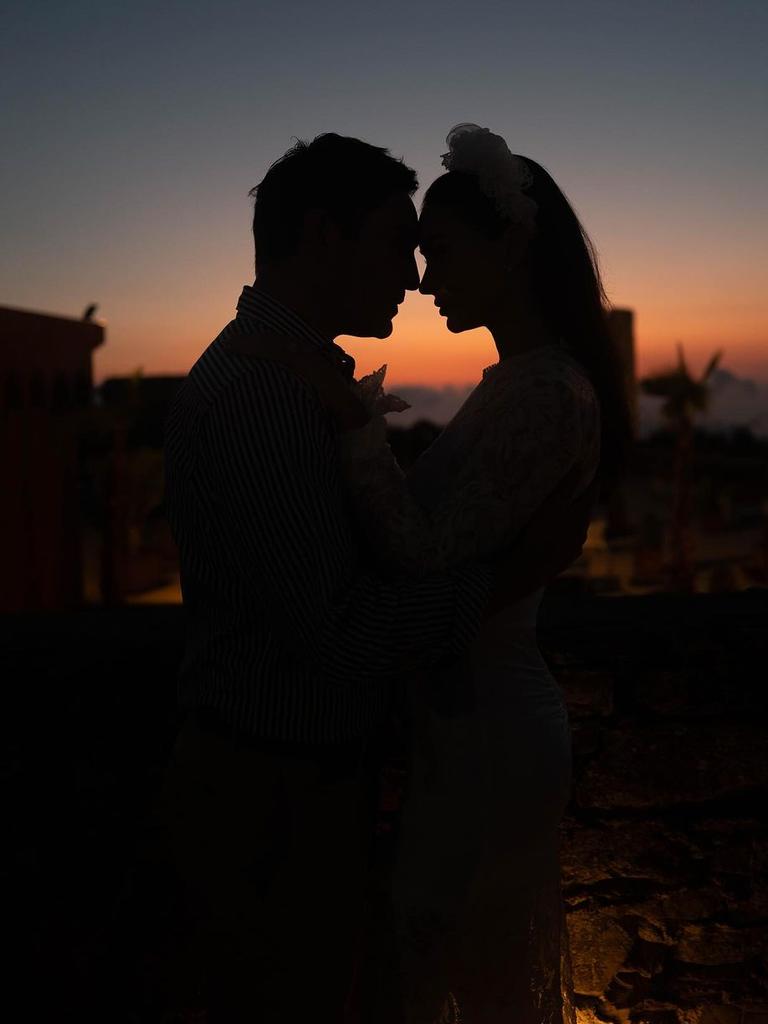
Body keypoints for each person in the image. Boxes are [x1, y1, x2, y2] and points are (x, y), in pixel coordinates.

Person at [154, 132, 593, 1024]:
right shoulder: (264, 395)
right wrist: (514, 573)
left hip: (307, 781)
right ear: (323, 235)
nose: (415, 275)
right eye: (400, 243)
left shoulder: (295, 380)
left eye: (427, 248)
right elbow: (344, 633)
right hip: (272, 791)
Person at [336, 125, 630, 1023]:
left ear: (509, 246)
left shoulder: (546, 391)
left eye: (442, 254)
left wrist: (354, 436)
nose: (424, 281)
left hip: (492, 728)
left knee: (461, 960)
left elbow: (429, 559)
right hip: (473, 721)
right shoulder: (520, 382)